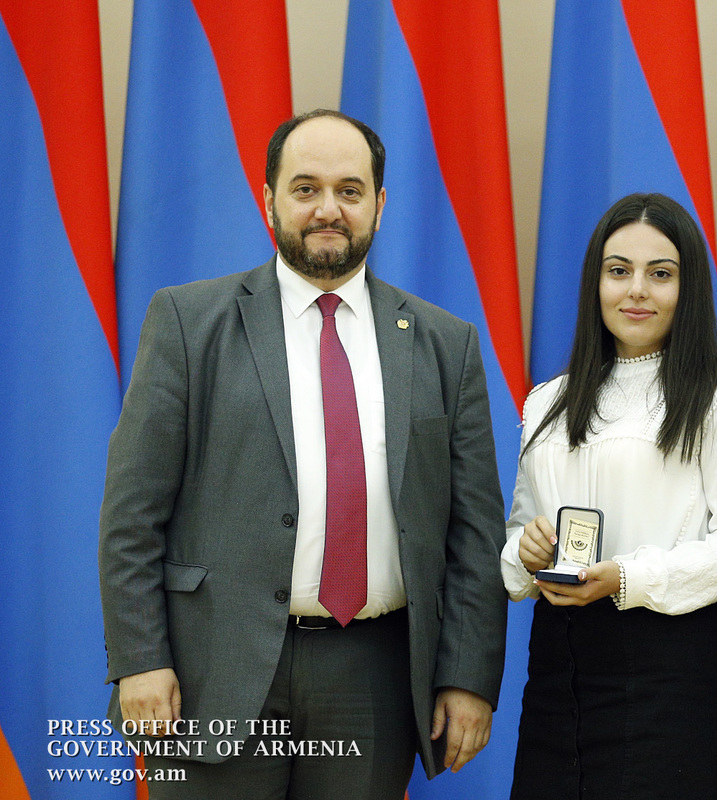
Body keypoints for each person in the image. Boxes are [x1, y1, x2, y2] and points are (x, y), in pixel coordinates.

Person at [98, 109, 508, 798]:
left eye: (349, 190)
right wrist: (140, 657)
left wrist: (468, 676)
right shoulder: (188, 323)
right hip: (212, 671)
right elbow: (131, 515)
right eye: (306, 188)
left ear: (379, 205)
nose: (328, 209)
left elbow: (474, 530)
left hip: (373, 678)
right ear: (269, 200)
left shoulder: (446, 344)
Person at [501, 193, 717, 799]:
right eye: (619, 270)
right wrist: (525, 552)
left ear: (688, 287)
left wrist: (628, 578)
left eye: (661, 274)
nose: (637, 291)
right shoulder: (547, 401)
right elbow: (518, 533)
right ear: (595, 282)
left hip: (671, 676)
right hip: (558, 673)